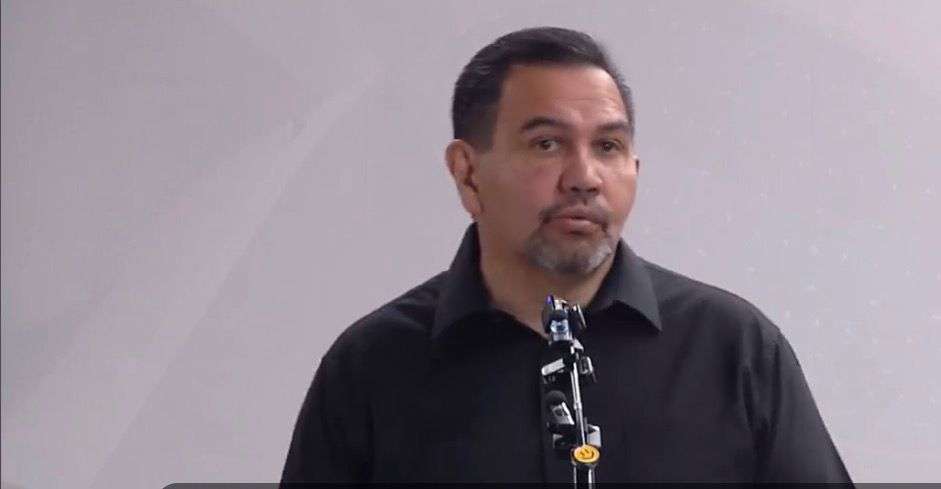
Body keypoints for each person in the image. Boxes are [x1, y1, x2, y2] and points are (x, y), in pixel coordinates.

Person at [280, 27, 851, 483]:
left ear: (634, 168)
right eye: (547, 144)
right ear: (467, 172)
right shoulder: (373, 366)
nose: (584, 177)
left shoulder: (735, 348)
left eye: (608, 146)